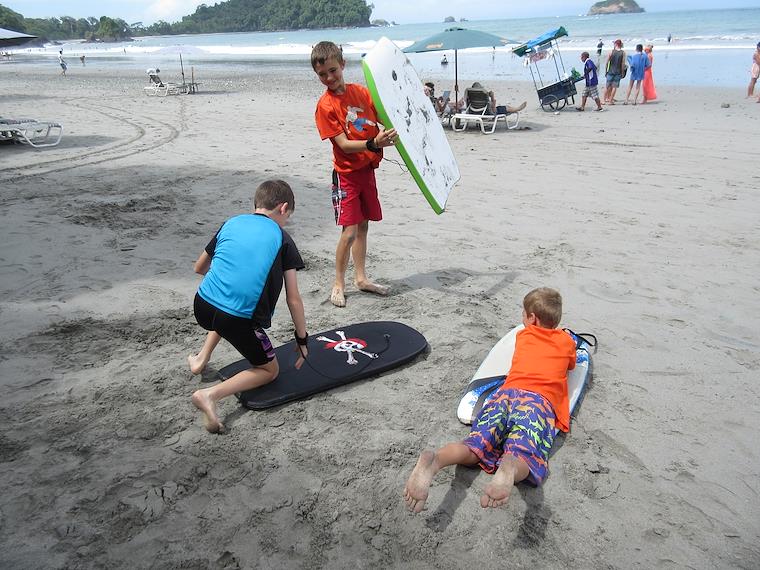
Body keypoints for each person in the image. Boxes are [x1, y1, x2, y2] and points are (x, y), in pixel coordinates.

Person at [403, 287, 577, 512]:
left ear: (532, 319)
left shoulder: (523, 336)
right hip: (537, 404)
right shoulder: (566, 342)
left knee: (475, 445)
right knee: (525, 454)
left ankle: (436, 460)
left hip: (505, 395)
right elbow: (571, 364)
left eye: (523, 314)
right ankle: (511, 466)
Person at [187, 180, 308, 433]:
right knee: (269, 370)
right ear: (283, 208)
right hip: (236, 319)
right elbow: (293, 299)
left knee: (228, 304)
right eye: (287, 217)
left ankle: (201, 359)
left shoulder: (231, 223)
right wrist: (302, 339)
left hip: (202, 305)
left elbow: (199, 268)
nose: (285, 222)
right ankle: (210, 395)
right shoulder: (283, 239)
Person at [311, 41, 397, 308]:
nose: (329, 78)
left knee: (363, 227)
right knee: (349, 232)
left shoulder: (361, 93)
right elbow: (343, 145)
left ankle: (361, 278)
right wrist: (373, 143)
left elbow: (386, 116)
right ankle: (338, 283)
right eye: (322, 74)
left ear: (343, 65)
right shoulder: (325, 106)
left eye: (333, 71)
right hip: (346, 175)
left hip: (366, 171)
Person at [604, 39, 626, 105]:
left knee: (607, 86)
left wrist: (606, 71)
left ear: (616, 44)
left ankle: (603, 100)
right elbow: (622, 64)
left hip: (610, 71)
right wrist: (622, 72)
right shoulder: (623, 53)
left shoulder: (611, 51)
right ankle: (610, 100)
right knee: (614, 87)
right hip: (618, 72)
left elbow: (607, 62)